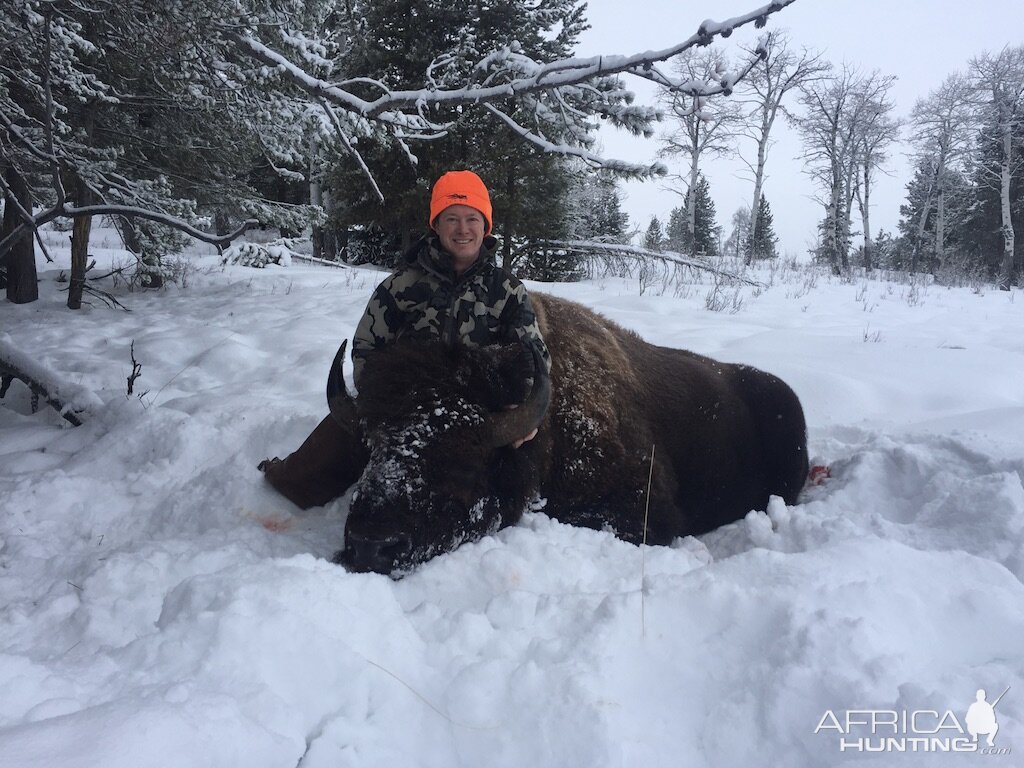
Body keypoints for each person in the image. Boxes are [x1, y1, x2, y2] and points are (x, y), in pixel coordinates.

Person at [259, 169, 551, 509]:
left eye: (472, 218)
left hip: (473, 412)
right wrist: (378, 399)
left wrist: (521, 410)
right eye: (451, 218)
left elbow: (533, 354)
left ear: (485, 227)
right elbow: (367, 346)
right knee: (305, 475)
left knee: (532, 472)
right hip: (405, 407)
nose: (462, 229)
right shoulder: (399, 286)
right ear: (435, 225)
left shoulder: (508, 290)